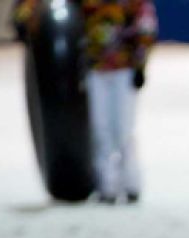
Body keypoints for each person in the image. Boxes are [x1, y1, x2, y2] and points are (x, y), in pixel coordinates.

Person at [16, 0, 158, 203]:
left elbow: (145, 25)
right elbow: (42, 6)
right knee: (100, 128)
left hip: (123, 69)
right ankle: (107, 185)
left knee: (123, 129)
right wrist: (26, 20)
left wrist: (140, 63)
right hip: (95, 69)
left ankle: (131, 184)